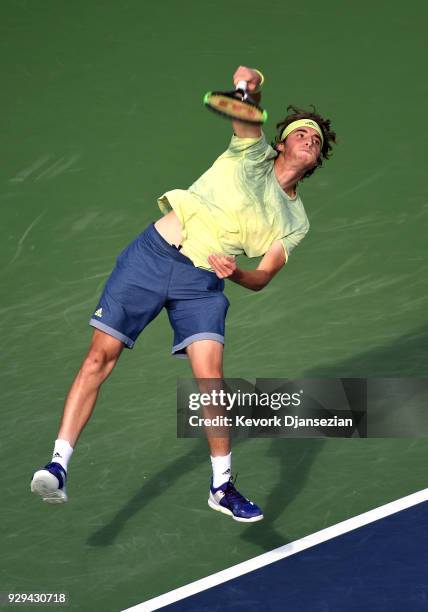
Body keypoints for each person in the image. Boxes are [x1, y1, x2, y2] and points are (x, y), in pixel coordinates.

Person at [31, 66, 336, 522]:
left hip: (203, 282)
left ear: (316, 159)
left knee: (211, 380)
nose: (309, 139)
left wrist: (235, 274)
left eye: (315, 138)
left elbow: (263, 276)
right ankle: (58, 464)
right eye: (301, 133)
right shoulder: (249, 153)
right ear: (282, 143)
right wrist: (248, 85)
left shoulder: (296, 221)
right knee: (101, 356)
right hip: (152, 257)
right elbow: (246, 117)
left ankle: (222, 485)